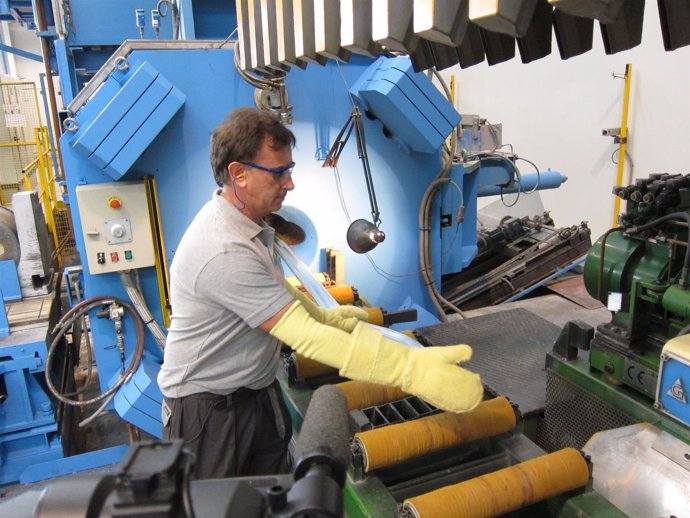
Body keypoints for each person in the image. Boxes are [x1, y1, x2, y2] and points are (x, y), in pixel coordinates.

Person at [158, 107, 483, 480]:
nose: (290, 183)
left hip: (255, 394)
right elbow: (308, 340)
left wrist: (325, 316)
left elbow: (276, 291)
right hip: (210, 413)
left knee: (272, 498)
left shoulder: (251, 225)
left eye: (289, 170)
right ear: (239, 174)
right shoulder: (222, 247)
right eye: (279, 172)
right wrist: (410, 370)